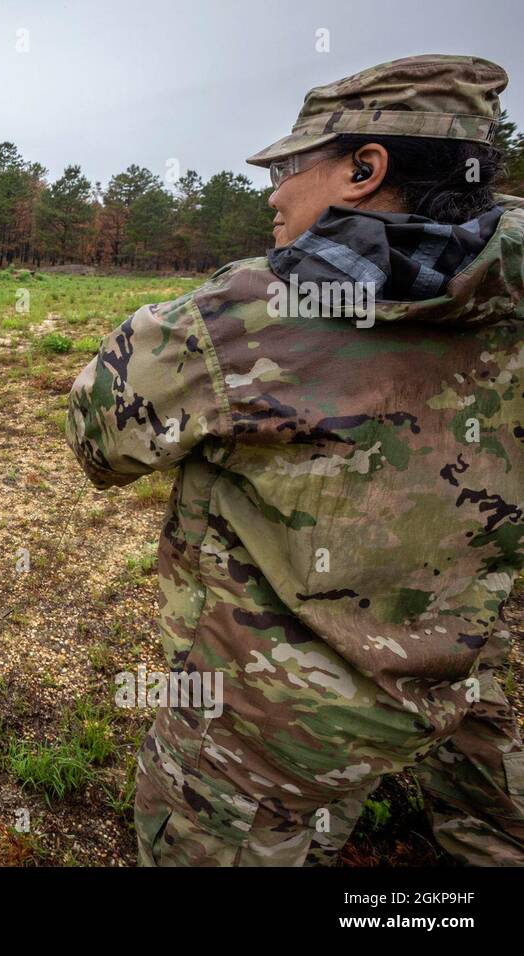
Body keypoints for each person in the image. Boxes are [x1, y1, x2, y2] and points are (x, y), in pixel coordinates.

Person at [66, 54, 524, 865]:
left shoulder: (248, 320)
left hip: (269, 731)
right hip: (464, 675)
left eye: (287, 167)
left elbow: (98, 443)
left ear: (362, 168)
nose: (273, 192)